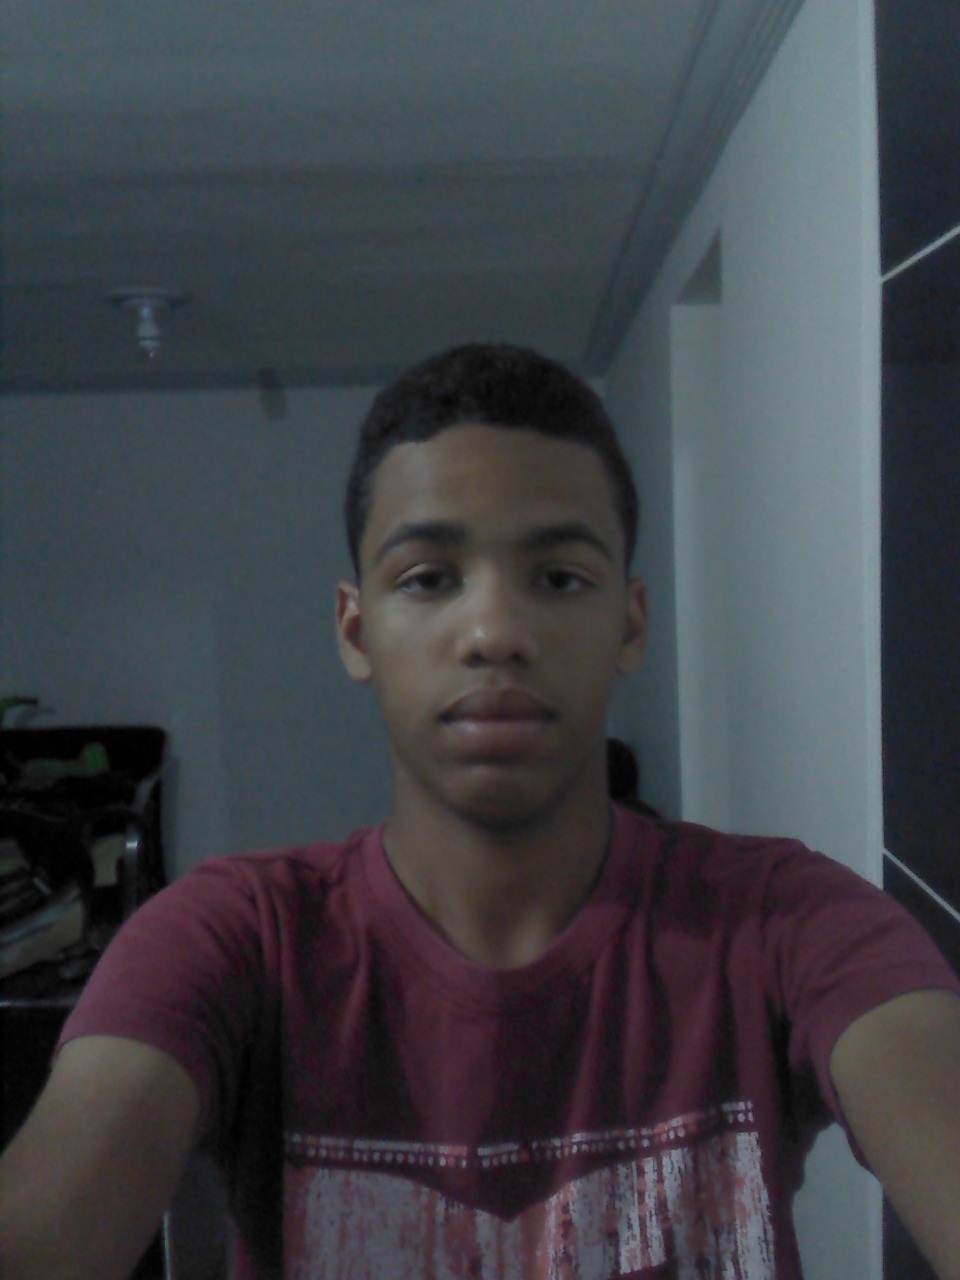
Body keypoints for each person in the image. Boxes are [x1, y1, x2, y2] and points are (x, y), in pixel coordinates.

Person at [1, 342, 959, 1280]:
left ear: (629, 624)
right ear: (356, 629)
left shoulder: (784, 920)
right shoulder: (235, 939)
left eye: (559, 578)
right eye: (428, 578)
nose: (496, 632)